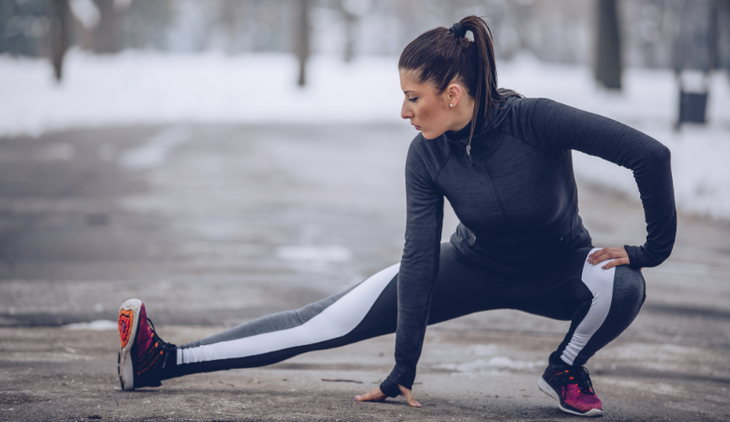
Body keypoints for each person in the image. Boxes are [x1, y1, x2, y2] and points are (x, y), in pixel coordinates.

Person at [116, 15, 676, 418]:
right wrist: (402, 368)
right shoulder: (427, 154)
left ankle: (565, 369)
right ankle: (162, 359)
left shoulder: (537, 121)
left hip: (559, 266)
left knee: (623, 284)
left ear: (452, 94)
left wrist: (653, 250)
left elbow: (649, 155)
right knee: (321, 321)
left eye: (413, 97)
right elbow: (418, 257)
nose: (404, 110)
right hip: (475, 264)